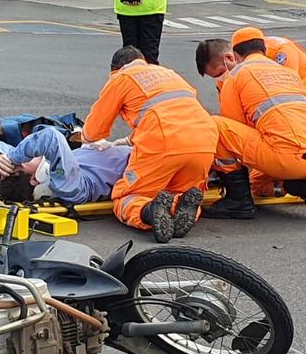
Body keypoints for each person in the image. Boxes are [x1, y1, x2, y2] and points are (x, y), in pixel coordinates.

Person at [83, 46, 218, 243]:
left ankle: (148, 211)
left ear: (115, 70)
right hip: (204, 139)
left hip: (163, 141)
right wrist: (128, 140)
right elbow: (167, 109)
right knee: (182, 192)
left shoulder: (122, 77)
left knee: (127, 196)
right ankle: (180, 207)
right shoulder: (169, 74)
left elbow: (93, 132)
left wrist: (85, 139)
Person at [203, 31, 306, 222]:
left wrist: (215, 167)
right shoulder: (288, 73)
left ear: (235, 55)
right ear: (264, 49)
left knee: (216, 124)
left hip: (285, 156)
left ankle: (238, 201)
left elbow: (233, 127)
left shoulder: (236, 76)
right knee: (260, 183)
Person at [0, 126, 131, 205]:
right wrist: (13, 157)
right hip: (146, 166)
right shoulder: (68, 187)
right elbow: (50, 137)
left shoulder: (63, 178)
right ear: (35, 179)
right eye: (24, 162)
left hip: (140, 150)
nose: (27, 157)